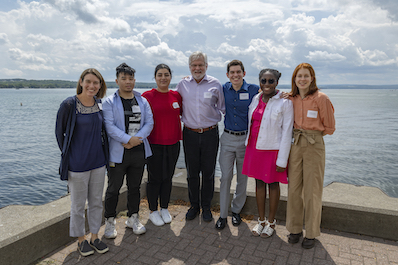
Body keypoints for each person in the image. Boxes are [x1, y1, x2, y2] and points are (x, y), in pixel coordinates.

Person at [55, 68, 109, 256]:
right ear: (80, 81)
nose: (91, 86)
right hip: (77, 165)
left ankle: (94, 236)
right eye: (88, 81)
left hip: (99, 163)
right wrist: (70, 155)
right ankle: (80, 240)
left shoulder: (100, 104)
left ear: (100, 85)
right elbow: (59, 134)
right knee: (78, 205)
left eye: (96, 83)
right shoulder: (69, 105)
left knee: (96, 202)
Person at [286, 63, 335, 249]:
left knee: (312, 190)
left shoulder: (321, 98)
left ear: (312, 78)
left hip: (314, 145)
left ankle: (312, 233)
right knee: (294, 188)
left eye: (306, 76)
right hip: (295, 143)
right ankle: (295, 228)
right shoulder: (291, 98)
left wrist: (313, 135)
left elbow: (330, 128)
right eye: (299, 76)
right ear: (294, 79)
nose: (303, 79)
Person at [103, 63, 153, 238]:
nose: (127, 82)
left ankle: (133, 217)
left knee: (135, 187)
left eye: (130, 78)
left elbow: (149, 123)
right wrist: (127, 140)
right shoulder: (109, 102)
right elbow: (109, 126)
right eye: (123, 78)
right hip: (118, 153)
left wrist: (135, 140)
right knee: (113, 189)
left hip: (138, 151)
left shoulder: (142, 100)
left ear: (134, 80)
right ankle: (110, 221)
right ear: (117, 81)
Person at [242, 69, 294, 238]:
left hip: (273, 150)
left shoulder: (285, 102)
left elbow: (287, 132)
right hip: (255, 147)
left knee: (272, 185)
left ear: (277, 82)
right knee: (258, 184)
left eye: (270, 81)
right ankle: (261, 221)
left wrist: (282, 160)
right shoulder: (256, 98)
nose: (266, 84)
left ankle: (271, 223)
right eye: (263, 80)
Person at [176, 51, 225, 222]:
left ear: (206, 66)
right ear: (190, 67)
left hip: (210, 133)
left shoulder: (215, 84)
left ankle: (206, 207)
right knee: (192, 173)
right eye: (194, 65)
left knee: (209, 172)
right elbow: (174, 104)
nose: (197, 68)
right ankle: (194, 205)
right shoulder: (182, 84)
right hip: (189, 133)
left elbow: (223, 107)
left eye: (200, 65)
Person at [215, 60, 259, 230]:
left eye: (238, 72)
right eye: (232, 72)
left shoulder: (254, 89)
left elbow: (271, 93)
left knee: (242, 178)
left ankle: (236, 211)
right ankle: (223, 215)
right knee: (225, 177)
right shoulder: (223, 88)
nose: (235, 75)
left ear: (244, 73)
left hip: (245, 140)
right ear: (227, 75)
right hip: (227, 138)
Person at [142, 64, 182, 226]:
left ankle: (164, 207)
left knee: (168, 177)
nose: (163, 78)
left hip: (173, 143)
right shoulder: (147, 96)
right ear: (155, 77)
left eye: (166, 74)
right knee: (154, 178)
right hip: (154, 144)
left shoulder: (176, 96)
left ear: (171, 77)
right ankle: (153, 210)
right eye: (160, 75)